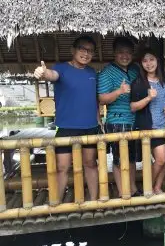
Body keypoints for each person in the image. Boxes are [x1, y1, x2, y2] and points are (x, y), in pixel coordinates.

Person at [33, 35, 100, 201]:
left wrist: (99, 122)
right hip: (66, 127)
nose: (86, 53)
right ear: (73, 50)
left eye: (90, 51)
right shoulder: (61, 68)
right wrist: (43, 72)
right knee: (62, 167)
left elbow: (94, 100)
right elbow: (52, 75)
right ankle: (55, 202)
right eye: (82, 49)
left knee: (90, 164)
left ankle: (95, 200)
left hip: (90, 127)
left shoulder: (92, 72)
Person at [97, 37, 140, 197]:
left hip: (134, 120)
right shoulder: (107, 72)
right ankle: (123, 191)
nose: (125, 55)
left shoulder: (136, 69)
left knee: (132, 158)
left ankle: (133, 188)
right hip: (117, 121)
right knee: (119, 159)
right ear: (114, 53)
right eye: (121, 52)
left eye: (128, 52)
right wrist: (119, 91)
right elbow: (102, 99)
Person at [130, 48, 165, 195]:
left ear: (157, 60)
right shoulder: (139, 82)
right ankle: (147, 187)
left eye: (151, 59)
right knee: (161, 159)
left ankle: (157, 187)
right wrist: (148, 98)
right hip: (151, 127)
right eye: (145, 60)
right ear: (141, 64)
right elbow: (133, 107)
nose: (148, 63)